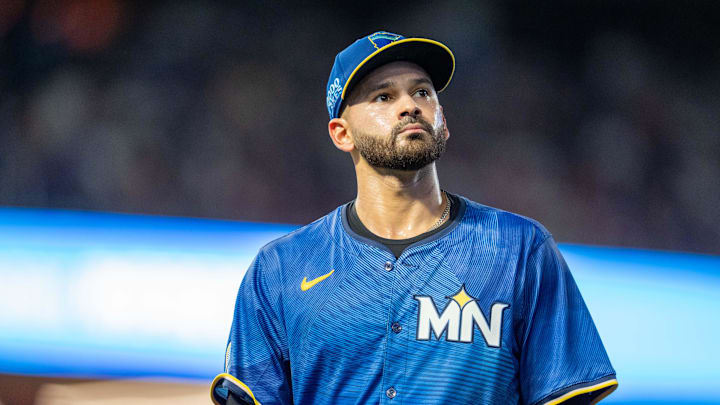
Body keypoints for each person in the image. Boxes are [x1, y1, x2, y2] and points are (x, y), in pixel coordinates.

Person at [210, 31, 617, 405]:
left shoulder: (519, 248)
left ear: (443, 122)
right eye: (383, 97)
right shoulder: (282, 267)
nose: (409, 106)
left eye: (423, 92)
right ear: (341, 133)